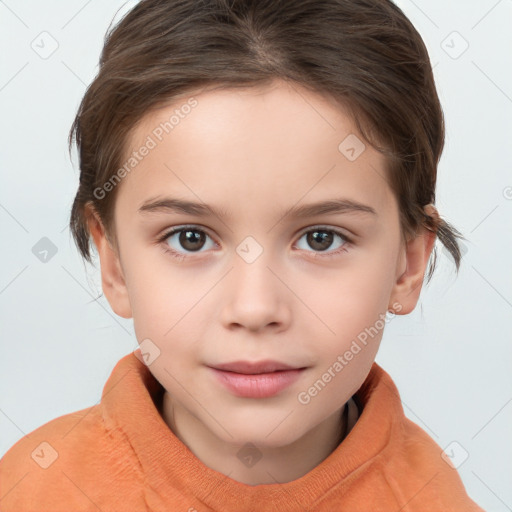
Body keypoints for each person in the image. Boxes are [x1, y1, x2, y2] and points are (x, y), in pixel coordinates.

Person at [0, 0, 486, 510]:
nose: (254, 309)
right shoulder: (28, 491)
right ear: (114, 263)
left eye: (322, 238)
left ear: (407, 265)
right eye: (190, 238)